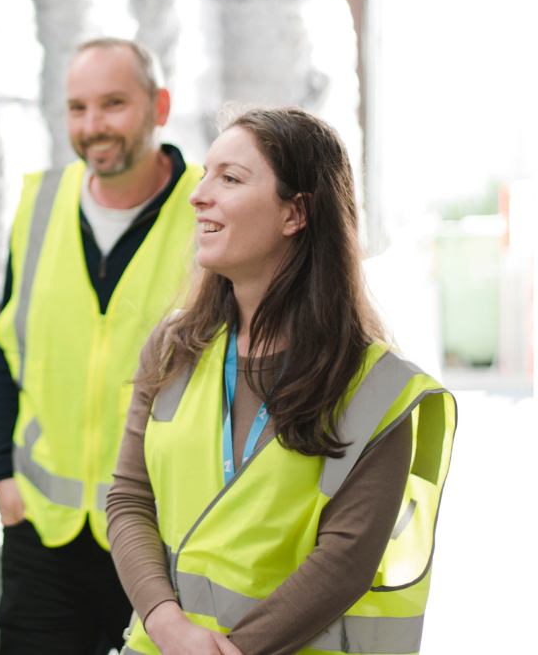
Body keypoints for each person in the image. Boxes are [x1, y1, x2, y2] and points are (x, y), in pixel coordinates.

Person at [106, 107, 456, 655]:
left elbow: (345, 560)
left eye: (230, 178)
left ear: (296, 214)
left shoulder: (376, 388)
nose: (199, 195)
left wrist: (231, 651)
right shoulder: (174, 349)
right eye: (205, 174)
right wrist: (167, 625)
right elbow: (128, 499)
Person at [0, 38, 205, 654]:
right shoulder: (39, 203)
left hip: (159, 534)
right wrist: (0, 472)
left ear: (158, 106)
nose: (93, 126)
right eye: (77, 108)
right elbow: (8, 346)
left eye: (113, 104)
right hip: (43, 529)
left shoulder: (206, 212)